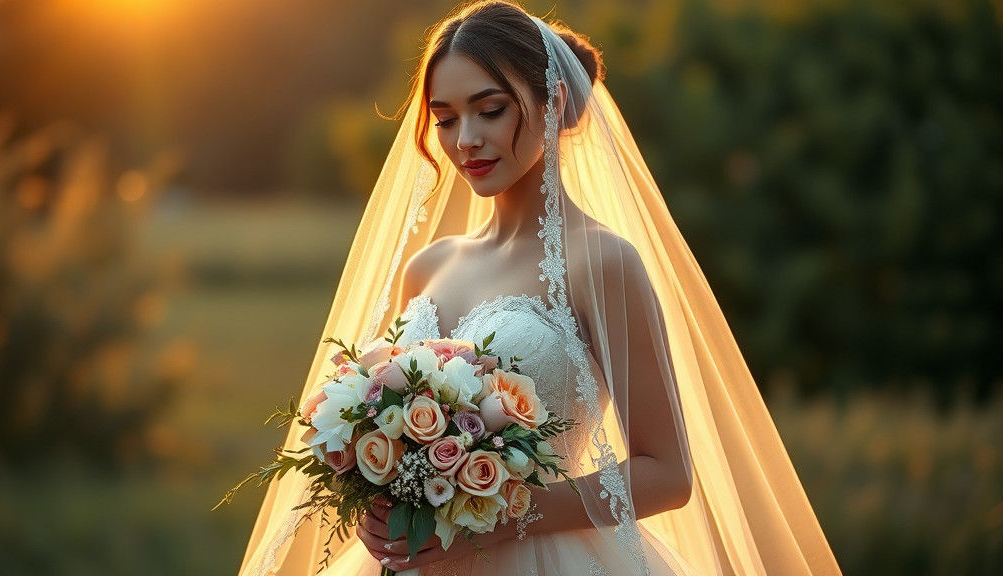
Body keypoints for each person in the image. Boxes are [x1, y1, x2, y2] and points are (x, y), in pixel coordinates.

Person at [237, 2, 842, 575]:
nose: (464, 139)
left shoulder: (601, 262)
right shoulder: (427, 267)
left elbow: (667, 474)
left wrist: (498, 519)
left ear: (553, 102)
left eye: (490, 110)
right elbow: (390, 431)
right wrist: (378, 501)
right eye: (445, 119)